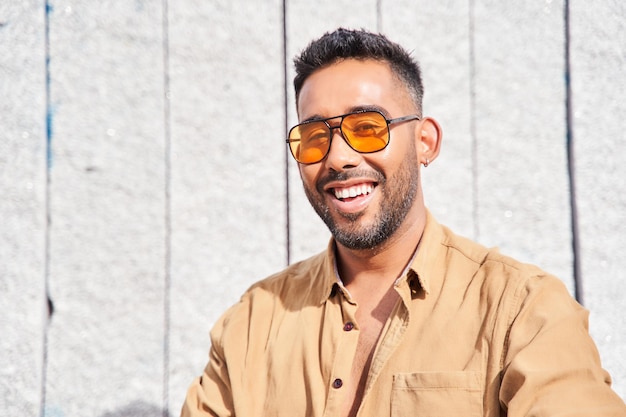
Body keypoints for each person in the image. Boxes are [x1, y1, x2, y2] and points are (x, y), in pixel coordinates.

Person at [181, 28, 626, 416]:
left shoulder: (521, 310)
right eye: (315, 137)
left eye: (368, 127)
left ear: (425, 142)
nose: (338, 157)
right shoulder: (252, 323)